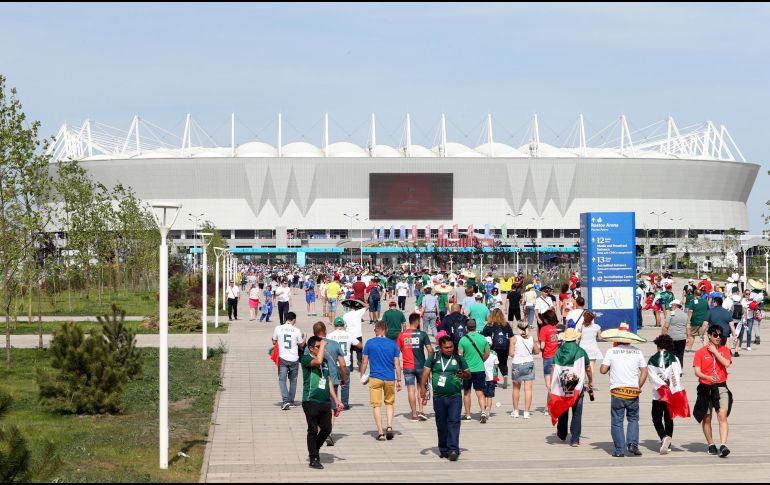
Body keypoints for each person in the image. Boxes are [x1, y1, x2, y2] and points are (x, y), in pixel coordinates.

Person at [419, 336, 471, 461]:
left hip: (455, 397)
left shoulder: (458, 358)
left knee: (454, 422)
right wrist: (422, 388)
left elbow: (468, 374)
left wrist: (462, 374)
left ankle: (453, 449)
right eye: (446, 347)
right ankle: (443, 448)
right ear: (440, 348)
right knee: (441, 424)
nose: (449, 349)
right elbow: (425, 373)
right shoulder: (434, 357)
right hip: (439, 397)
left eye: (451, 347)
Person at [600, 324, 648, 457]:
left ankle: (619, 450)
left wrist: (610, 367)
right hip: (633, 391)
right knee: (633, 419)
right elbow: (644, 371)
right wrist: (639, 386)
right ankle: (632, 444)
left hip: (617, 391)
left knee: (617, 421)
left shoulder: (611, 351)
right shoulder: (637, 351)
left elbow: (603, 370)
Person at [301, 336, 343, 469]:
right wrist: (324, 346)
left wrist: (336, 400)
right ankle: (313, 458)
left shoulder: (324, 361)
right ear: (311, 348)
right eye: (318, 347)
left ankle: (315, 448)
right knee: (313, 429)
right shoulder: (306, 358)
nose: (321, 349)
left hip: (324, 400)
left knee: (327, 429)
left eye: (322, 346)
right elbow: (317, 360)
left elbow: (328, 380)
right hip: (311, 399)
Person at [693, 325, 733, 458]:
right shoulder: (700, 352)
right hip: (705, 388)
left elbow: (727, 363)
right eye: (715, 335)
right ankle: (711, 444)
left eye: (720, 335)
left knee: (722, 415)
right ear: (709, 335)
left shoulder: (725, 350)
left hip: (721, 387)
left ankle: (723, 445)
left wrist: (715, 352)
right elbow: (697, 371)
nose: (718, 338)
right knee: (707, 417)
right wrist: (707, 377)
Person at [305, 321, 347, 447]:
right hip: (332, 379)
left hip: (317, 380)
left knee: (318, 406)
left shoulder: (311, 347)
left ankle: (319, 429)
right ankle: (328, 431)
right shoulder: (334, 344)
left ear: (314, 333)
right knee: (332, 408)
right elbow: (343, 364)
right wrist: (343, 379)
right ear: (325, 331)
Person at [360, 320, 402, 441]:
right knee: (389, 403)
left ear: (377, 330)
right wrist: (399, 379)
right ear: (386, 330)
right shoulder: (393, 344)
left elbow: (364, 361)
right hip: (389, 377)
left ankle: (380, 432)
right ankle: (389, 427)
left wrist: (362, 375)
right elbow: (397, 363)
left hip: (375, 377)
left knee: (376, 405)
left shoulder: (369, 343)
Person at [553, 328, 593, 447]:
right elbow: (588, 368)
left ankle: (562, 433)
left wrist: (551, 384)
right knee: (577, 412)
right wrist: (590, 380)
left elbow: (554, 367)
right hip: (577, 385)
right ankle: (575, 439)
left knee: (563, 407)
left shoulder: (559, 351)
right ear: (576, 338)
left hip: (563, 383)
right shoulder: (581, 351)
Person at [647, 334, 681, 455]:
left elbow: (652, 377)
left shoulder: (652, 359)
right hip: (672, 393)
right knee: (668, 418)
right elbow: (677, 374)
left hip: (658, 394)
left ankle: (663, 437)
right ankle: (669, 443)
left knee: (656, 418)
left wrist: (662, 386)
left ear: (658, 345)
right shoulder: (675, 359)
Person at [397, 313, 432, 421]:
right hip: (421, 366)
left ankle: (413, 414)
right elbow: (430, 350)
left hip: (408, 367)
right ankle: (421, 410)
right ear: (417, 322)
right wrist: (430, 364)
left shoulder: (401, 335)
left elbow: (396, 352)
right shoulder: (422, 334)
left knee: (410, 391)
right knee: (421, 388)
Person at [457, 318, 490, 422]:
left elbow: (460, 355)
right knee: (480, 392)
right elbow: (487, 353)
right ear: (475, 327)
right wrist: (481, 360)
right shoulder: (482, 338)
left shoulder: (463, 339)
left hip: (467, 370)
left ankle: (468, 415)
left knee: (467, 392)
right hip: (479, 369)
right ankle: (483, 413)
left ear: (466, 328)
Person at [327, 317, 363, 411]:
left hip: (333, 363)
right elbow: (360, 345)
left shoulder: (330, 335)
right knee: (345, 384)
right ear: (343, 325)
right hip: (345, 362)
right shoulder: (348, 335)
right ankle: (344, 404)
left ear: (334, 326)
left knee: (334, 384)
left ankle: (334, 404)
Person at [272, 311, 305, 410]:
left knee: (282, 380)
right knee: (293, 380)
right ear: (293, 320)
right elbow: (301, 345)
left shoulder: (278, 328)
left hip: (282, 358)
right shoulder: (297, 330)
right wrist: (305, 337)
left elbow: (274, 341)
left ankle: (285, 400)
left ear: (286, 319)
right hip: (294, 358)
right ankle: (291, 401)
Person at [510, 320, 539, 418]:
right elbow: (536, 351)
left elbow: (511, 353)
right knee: (528, 389)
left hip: (517, 364)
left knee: (516, 388)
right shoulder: (531, 338)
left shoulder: (514, 339)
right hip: (529, 364)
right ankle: (526, 412)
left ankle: (516, 411)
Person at [481, 308, 513, 389]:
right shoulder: (506, 325)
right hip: (504, 348)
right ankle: (505, 375)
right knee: (503, 363)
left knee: (493, 364)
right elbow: (511, 336)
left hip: (493, 348)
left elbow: (483, 337)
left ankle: (494, 380)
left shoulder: (489, 325)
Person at [538, 309, 560, 416]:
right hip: (557, 357)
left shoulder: (544, 329)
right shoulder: (556, 329)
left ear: (546, 319)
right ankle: (548, 406)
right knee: (554, 383)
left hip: (547, 357)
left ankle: (549, 407)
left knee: (549, 385)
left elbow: (542, 346)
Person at [662, 299, 688, 366]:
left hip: (671, 337)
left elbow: (666, 326)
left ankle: (671, 369)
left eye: (672, 306)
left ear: (675, 306)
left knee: (670, 354)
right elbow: (688, 327)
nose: (671, 307)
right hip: (682, 338)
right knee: (680, 354)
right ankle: (679, 370)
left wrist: (663, 336)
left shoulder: (671, 314)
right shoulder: (685, 315)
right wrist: (688, 337)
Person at [343, 300, 368, 372]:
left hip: (349, 335)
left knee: (349, 351)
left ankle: (350, 367)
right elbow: (367, 306)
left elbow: (344, 325)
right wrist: (358, 300)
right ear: (356, 308)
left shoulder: (345, 315)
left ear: (349, 307)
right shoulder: (358, 313)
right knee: (359, 351)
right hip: (358, 335)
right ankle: (360, 364)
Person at [576, 310, 603, 376]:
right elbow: (600, 338)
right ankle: (590, 383)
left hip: (583, 348)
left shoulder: (581, 326)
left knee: (583, 367)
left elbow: (578, 337)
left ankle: (583, 382)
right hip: (593, 348)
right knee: (591, 366)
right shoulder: (597, 326)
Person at [482, 336, 500, 421]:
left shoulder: (481, 352)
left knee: (482, 395)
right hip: (492, 377)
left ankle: (483, 409)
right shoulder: (494, 353)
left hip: (482, 376)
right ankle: (488, 409)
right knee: (489, 396)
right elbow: (496, 365)